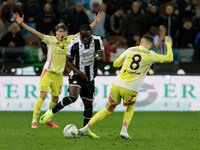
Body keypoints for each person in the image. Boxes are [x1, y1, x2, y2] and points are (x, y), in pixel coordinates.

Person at [13, 11, 103, 129]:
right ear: (56, 32)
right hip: (48, 71)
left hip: (59, 74)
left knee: (55, 98)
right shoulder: (50, 40)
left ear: (66, 33)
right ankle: (34, 120)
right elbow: (35, 32)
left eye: (63, 31)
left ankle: (49, 119)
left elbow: (83, 33)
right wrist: (22, 24)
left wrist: (95, 22)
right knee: (43, 95)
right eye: (59, 31)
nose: (62, 33)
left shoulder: (70, 40)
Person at [78, 34, 173, 139]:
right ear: (149, 45)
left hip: (117, 84)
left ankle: (86, 127)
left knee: (108, 109)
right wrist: (168, 44)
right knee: (130, 106)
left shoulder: (130, 50)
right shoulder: (151, 54)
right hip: (131, 87)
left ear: (141, 42)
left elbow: (115, 64)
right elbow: (169, 58)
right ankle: (124, 131)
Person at [39, 24, 105, 138]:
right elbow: (68, 61)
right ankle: (50, 113)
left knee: (88, 106)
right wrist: (79, 72)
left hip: (90, 77)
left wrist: (98, 56)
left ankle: (86, 130)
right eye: (83, 36)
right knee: (73, 97)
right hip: (76, 74)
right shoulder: (73, 43)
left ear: (91, 34)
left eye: (87, 37)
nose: (85, 39)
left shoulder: (98, 40)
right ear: (80, 35)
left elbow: (103, 55)